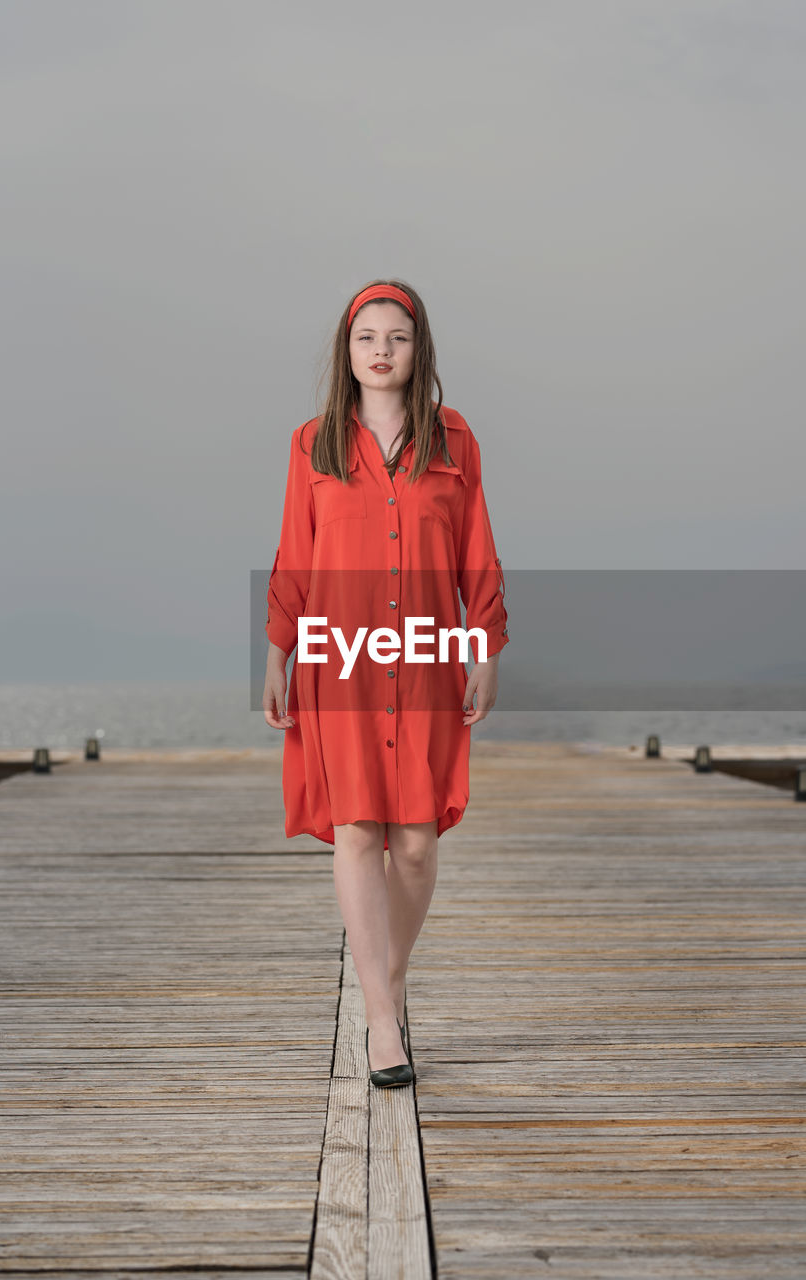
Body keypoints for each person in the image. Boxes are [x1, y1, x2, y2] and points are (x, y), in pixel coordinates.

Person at [263, 279, 508, 1087]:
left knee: (415, 844)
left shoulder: (455, 442)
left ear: (418, 348)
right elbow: (295, 554)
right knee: (357, 831)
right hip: (339, 662)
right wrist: (278, 651)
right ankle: (381, 1023)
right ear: (346, 350)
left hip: (429, 660)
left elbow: (475, 549)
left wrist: (485, 647)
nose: (380, 350)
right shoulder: (312, 444)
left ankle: (384, 979)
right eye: (365, 336)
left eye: (396, 337)